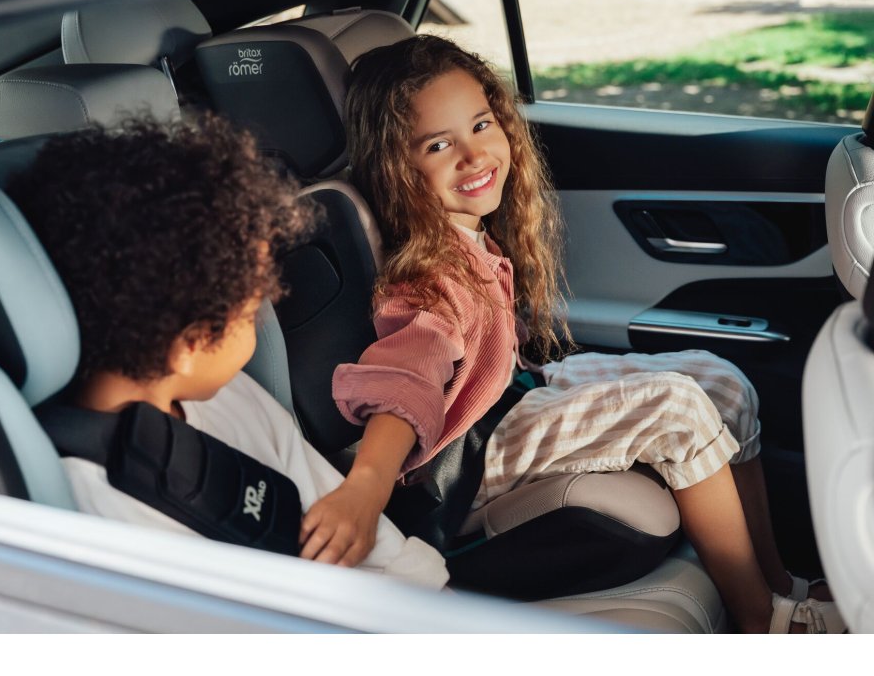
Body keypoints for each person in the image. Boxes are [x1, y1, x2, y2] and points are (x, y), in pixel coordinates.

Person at [301, 35, 842, 632]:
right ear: (396, 168)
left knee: (722, 381)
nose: (474, 155)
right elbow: (407, 380)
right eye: (438, 144)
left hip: (512, 392)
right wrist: (367, 487)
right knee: (678, 409)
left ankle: (778, 584)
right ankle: (761, 619)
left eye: (481, 125)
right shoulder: (427, 276)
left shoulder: (467, 234)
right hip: (466, 454)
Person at [7, 115, 448, 590]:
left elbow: (369, 541)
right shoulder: (99, 511)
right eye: (252, 306)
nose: (265, 311)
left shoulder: (232, 396)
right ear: (192, 345)